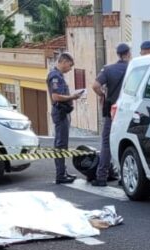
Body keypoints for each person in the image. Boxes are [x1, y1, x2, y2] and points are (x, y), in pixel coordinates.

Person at [90, 42, 131, 187]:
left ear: (118, 54)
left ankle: (102, 176)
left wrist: (102, 95)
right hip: (128, 111)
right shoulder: (133, 68)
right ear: (128, 53)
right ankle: (124, 177)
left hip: (111, 110)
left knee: (106, 142)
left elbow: (95, 86)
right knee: (127, 143)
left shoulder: (108, 70)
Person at [47, 52, 83, 184]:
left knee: (63, 143)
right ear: (63, 61)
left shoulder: (59, 75)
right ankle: (60, 175)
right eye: (70, 65)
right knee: (61, 144)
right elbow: (55, 96)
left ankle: (63, 171)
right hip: (60, 112)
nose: (70, 68)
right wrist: (72, 97)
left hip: (63, 112)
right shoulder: (55, 76)